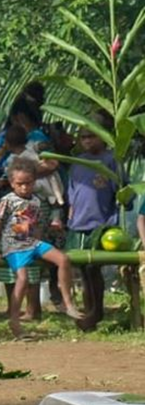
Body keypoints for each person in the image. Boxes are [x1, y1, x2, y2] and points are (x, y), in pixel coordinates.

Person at [0, 158, 83, 338]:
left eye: (28, 183)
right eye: (20, 184)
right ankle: (14, 319)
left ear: (34, 182)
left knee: (63, 259)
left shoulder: (37, 201)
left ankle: (68, 303)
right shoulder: (7, 200)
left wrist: (40, 247)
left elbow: (38, 225)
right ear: (12, 183)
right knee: (22, 279)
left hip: (33, 243)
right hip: (13, 245)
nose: (24, 187)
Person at [1, 123, 66, 318]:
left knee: (27, 256)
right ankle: (25, 309)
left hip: (33, 214)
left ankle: (30, 308)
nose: (23, 185)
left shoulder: (14, 161)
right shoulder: (32, 154)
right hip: (41, 208)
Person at [67, 120, 126, 331]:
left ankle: (96, 310)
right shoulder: (77, 162)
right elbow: (72, 195)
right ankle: (89, 310)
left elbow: (120, 194)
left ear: (102, 135)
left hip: (101, 223)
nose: (87, 141)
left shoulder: (111, 161)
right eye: (83, 137)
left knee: (94, 268)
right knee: (83, 270)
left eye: (91, 136)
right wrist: (69, 220)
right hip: (79, 224)